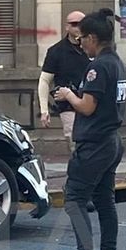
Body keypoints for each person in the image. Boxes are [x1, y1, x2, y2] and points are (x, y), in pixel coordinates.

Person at [53, 8, 126, 250]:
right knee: (105, 200)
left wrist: (68, 94)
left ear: (94, 38)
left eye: (83, 37)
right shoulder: (116, 62)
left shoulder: (97, 66)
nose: (80, 41)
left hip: (94, 143)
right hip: (111, 141)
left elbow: (87, 106)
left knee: (74, 199)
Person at [39, 11, 90, 148]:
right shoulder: (56, 51)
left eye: (82, 24)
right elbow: (44, 80)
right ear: (67, 27)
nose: (78, 27)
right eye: (74, 24)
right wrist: (44, 110)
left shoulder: (91, 48)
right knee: (75, 141)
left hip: (91, 101)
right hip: (68, 105)